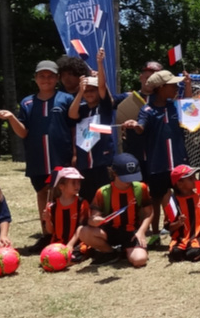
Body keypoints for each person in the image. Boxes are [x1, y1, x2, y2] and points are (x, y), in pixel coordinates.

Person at [0, 59, 73, 251]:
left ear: (57, 78)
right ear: (35, 79)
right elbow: (23, 132)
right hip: (38, 157)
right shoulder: (27, 102)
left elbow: (73, 128)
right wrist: (11, 118)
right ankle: (46, 235)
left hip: (60, 156)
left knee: (61, 193)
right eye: (42, 76)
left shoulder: (66, 99)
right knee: (42, 193)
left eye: (50, 76)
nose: (46, 79)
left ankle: (63, 234)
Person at [121, 69, 189, 239]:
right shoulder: (147, 110)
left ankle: (184, 230)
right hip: (158, 164)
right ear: (161, 87)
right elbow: (141, 127)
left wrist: (189, 87)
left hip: (179, 162)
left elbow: (191, 110)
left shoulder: (176, 106)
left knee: (183, 195)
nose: (176, 87)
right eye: (172, 85)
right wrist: (135, 125)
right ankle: (155, 234)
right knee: (156, 199)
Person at [65, 48, 122, 203]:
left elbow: (102, 87)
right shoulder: (82, 109)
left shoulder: (104, 108)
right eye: (87, 91)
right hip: (84, 162)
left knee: (105, 198)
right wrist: (80, 92)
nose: (89, 93)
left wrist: (99, 63)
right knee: (87, 199)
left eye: (93, 90)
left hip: (102, 161)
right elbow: (71, 115)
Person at [78, 153, 152, 267]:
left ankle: (126, 249)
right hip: (109, 232)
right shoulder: (103, 192)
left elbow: (149, 213)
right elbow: (92, 219)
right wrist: (95, 220)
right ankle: (111, 253)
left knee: (140, 260)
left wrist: (141, 231)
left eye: (132, 176)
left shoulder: (141, 188)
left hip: (132, 232)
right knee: (82, 231)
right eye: (125, 177)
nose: (129, 181)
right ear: (114, 173)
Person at [166, 164, 200, 263]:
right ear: (180, 184)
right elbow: (168, 227)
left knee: (193, 254)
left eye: (195, 177)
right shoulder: (173, 201)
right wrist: (178, 223)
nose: (196, 180)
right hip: (180, 239)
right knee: (176, 254)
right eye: (191, 178)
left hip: (199, 237)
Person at [43, 166, 89, 262]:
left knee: (68, 259)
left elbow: (82, 228)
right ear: (61, 186)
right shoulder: (53, 206)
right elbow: (51, 231)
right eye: (73, 183)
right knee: (49, 260)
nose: (77, 185)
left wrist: (70, 245)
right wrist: (47, 220)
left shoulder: (82, 204)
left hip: (77, 243)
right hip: (58, 244)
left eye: (78, 182)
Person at [115, 60, 164, 149]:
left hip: (156, 149)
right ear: (140, 77)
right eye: (148, 77)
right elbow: (107, 101)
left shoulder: (162, 100)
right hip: (134, 148)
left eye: (155, 79)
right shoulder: (129, 97)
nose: (151, 81)